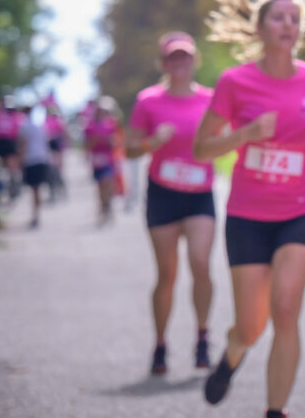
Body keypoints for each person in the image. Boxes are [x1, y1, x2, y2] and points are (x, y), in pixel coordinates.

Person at [194, 0, 305, 418]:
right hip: (248, 216)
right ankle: (232, 355)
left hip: (300, 211)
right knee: (252, 326)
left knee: (286, 308)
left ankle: (275, 411)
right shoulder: (235, 82)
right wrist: (243, 135)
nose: (288, 25)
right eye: (279, 17)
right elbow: (202, 147)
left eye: (295, 19)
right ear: (259, 27)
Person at [126, 31, 216, 375]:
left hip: (199, 195)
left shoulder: (210, 99)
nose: (179, 63)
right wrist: (152, 142)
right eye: (173, 58)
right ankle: (161, 344)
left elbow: (226, 136)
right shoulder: (148, 101)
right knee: (167, 274)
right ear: (163, 63)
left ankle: (203, 336)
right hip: (163, 193)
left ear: (195, 61)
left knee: (200, 263)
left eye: (185, 57)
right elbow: (131, 149)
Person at [84, 96, 121, 225]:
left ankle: (108, 206)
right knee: (100, 187)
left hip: (108, 160)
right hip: (96, 161)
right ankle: (103, 207)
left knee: (108, 184)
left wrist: (108, 142)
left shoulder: (110, 125)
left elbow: (115, 142)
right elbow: (88, 144)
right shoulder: (90, 127)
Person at [18, 105, 50, 228]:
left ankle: (35, 216)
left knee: (34, 189)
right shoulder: (40, 125)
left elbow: (23, 145)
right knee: (37, 189)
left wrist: (21, 160)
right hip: (41, 159)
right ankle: (37, 215)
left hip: (31, 160)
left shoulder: (24, 126)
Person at [0, 95, 22, 199]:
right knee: (7, 165)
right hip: (6, 141)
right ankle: (11, 185)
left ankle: (12, 185)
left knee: (8, 165)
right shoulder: (7, 114)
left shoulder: (7, 115)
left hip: (6, 141)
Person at [44, 102, 67, 201]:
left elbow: (63, 134)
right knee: (53, 170)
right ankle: (55, 190)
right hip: (51, 147)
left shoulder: (58, 121)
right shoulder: (47, 121)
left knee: (57, 169)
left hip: (56, 146)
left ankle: (60, 188)